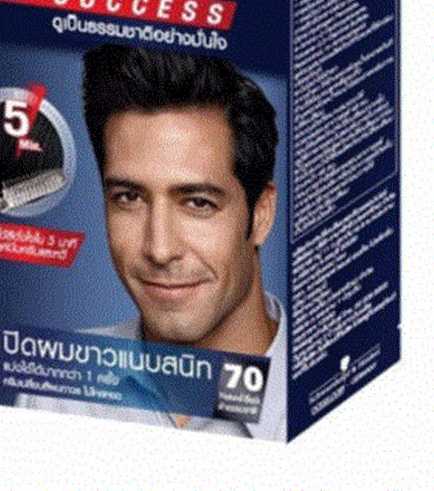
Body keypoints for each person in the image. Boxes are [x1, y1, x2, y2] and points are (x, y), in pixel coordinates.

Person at [16, 45, 286, 439]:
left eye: (198, 203)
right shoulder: (57, 391)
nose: (159, 249)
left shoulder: (314, 401)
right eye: (129, 197)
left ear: (261, 214)